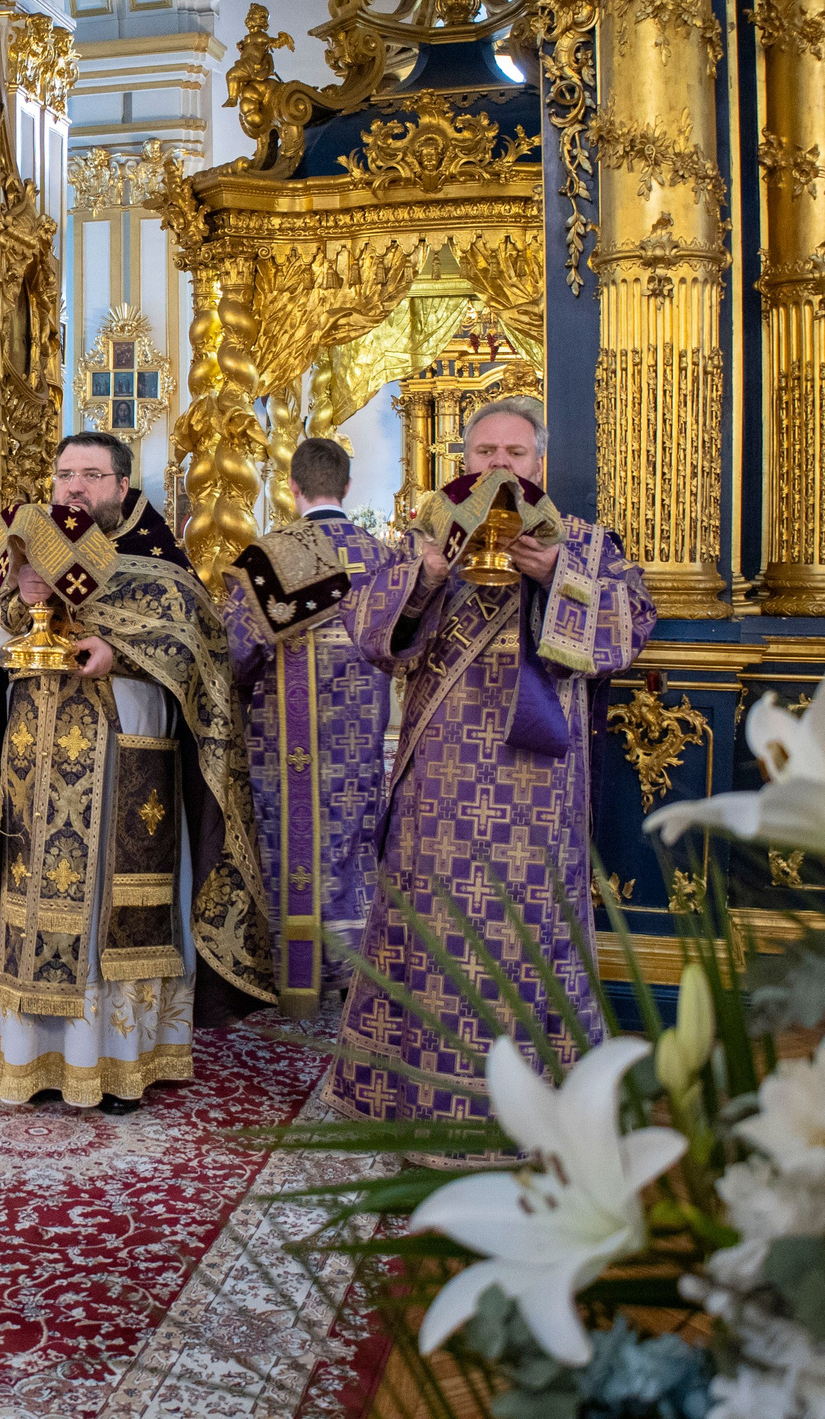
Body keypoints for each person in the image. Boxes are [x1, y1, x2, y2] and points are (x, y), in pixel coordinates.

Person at [0, 431, 280, 1110]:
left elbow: (198, 649)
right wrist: (21, 598)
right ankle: (33, 1059)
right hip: (33, 767)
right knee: (29, 905)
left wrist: (121, 651)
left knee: (113, 914)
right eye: (63, 475)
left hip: (124, 769)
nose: (73, 488)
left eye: (90, 475)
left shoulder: (159, 564)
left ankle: (119, 1064)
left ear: (121, 486)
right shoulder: (27, 548)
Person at [324, 395, 656, 1122]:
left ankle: (533, 1114)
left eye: (513, 455)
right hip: (440, 791)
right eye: (484, 455)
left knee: (525, 942)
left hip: (539, 791)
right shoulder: (423, 538)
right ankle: (417, 1105)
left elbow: (628, 627)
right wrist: (431, 575)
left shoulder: (586, 545)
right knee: (435, 936)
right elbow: (368, 629)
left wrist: (553, 577)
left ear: (539, 465)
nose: (498, 467)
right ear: (462, 463)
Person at [227, 436, 393, 1007]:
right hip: (361, 725)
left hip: (282, 731)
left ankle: (287, 965)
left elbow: (239, 652)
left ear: (291, 487)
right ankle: (352, 969)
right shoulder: (382, 556)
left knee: (284, 836)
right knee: (352, 834)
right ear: (347, 487)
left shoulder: (268, 553)